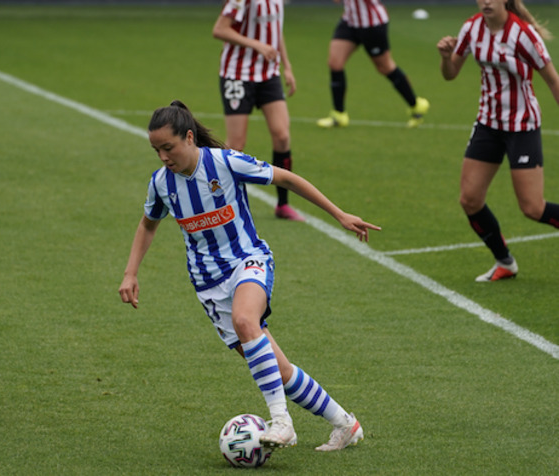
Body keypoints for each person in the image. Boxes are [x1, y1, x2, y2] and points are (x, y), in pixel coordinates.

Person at [119, 100, 379, 451]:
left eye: (169, 147)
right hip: (210, 287)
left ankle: (281, 422)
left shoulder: (225, 163)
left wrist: (338, 214)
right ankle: (345, 424)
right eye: (156, 150)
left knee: (245, 319)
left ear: (190, 138)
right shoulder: (162, 184)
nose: (164, 157)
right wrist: (130, 273)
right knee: (278, 368)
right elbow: (148, 224)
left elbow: (285, 177)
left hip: (248, 261)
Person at [437, 0, 559, 282]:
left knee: (532, 208)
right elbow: (450, 74)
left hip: (522, 126)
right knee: (470, 200)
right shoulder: (471, 28)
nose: (486, 1)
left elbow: (552, 80)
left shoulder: (523, 34)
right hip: (487, 125)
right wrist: (445, 56)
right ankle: (505, 262)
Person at [212, 0, 304, 221]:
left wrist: (287, 66)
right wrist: (257, 44)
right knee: (236, 144)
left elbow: (275, 30)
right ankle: (214, 199)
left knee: (282, 136)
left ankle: (283, 204)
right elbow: (220, 29)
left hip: (268, 75)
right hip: (237, 74)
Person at [316, 0, 429, 128]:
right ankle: (339, 115)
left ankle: (416, 105)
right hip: (350, 21)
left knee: (385, 67)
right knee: (335, 63)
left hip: (372, 24)